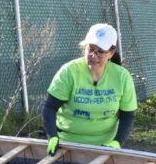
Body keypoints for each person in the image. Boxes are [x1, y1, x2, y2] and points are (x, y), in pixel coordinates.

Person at [42, 23, 137, 155]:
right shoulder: (69, 71)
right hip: (67, 144)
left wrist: (117, 142)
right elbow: (50, 107)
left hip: (106, 146)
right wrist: (52, 136)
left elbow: (128, 115)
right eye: (90, 49)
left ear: (111, 53)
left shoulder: (122, 77)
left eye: (100, 51)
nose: (93, 55)